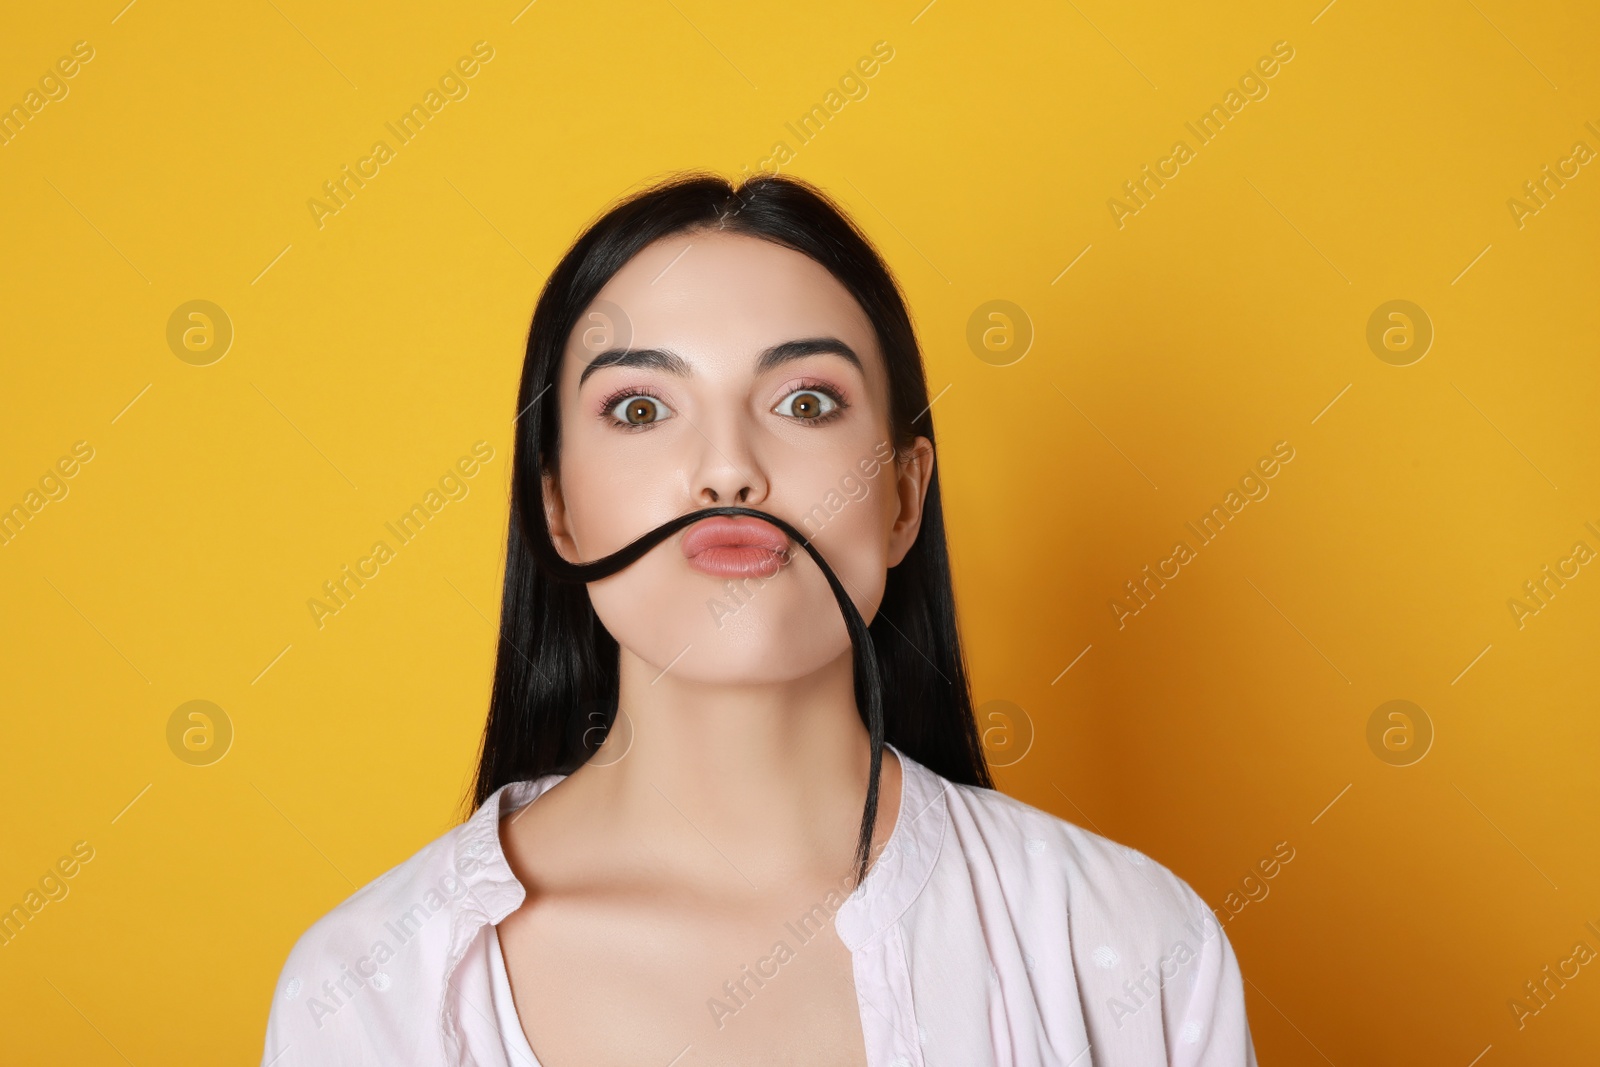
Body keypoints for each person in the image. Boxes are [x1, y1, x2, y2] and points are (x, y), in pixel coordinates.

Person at [260, 173, 1257, 1066]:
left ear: (903, 497)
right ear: (557, 508)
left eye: (806, 400)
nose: (729, 467)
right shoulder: (365, 986)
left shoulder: (1130, 941)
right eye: (642, 409)